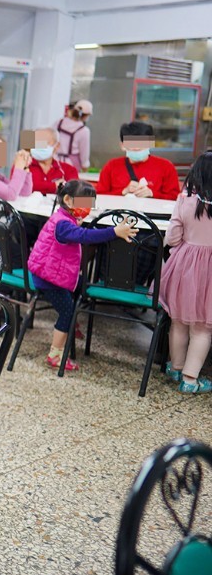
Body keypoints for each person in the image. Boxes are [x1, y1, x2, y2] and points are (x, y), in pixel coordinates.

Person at [27, 179, 137, 371]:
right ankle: (56, 354)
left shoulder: (63, 217)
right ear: (68, 200)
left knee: (78, 289)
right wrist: (114, 231)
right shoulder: (63, 225)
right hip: (48, 279)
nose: (88, 209)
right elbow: (85, 236)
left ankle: (70, 326)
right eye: (85, 203)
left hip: (50, 273)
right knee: (67, 310)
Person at [159, 151, 212, 393]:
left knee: (178, 320)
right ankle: (190, 380)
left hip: (183, 267)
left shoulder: (184, 201)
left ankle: (176, 368)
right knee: (203, 327)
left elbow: (172, 237)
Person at [96, 121, 180, 200]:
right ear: (122, 145)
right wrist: (123, 191)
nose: (137, 147)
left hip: (152, 215)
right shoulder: (111, 166)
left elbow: (175, 198)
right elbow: (98, 197)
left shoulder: (166, 166)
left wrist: (152, 194)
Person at [18, 127, 79, 194]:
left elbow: (75, 192)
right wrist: (54, 186)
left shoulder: (69, 170)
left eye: (44, 143)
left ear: (57, 146)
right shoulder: (21, 165)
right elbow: (21, 187)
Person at [54, 100, 92, 171]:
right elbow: (84, 152)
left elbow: (49, 138)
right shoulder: (84, 130)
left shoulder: (59, 122)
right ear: (86, 116)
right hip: (72, 164)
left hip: (54, 161)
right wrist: (85, 165)